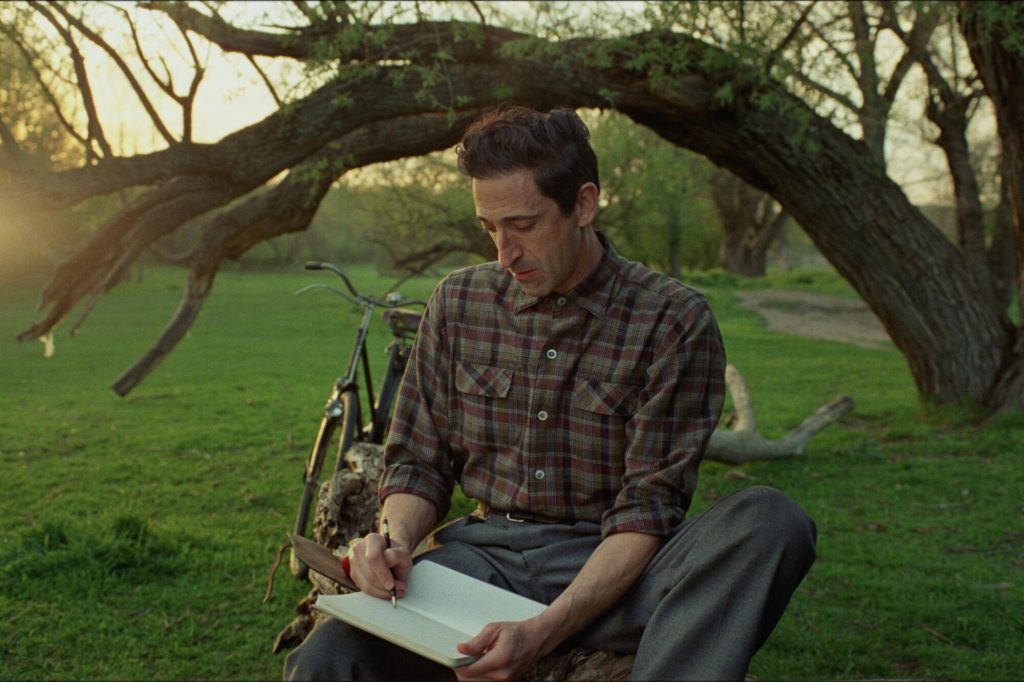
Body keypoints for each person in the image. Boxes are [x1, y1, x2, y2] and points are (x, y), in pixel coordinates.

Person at [284, 106, 816, 681]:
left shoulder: (672, 320)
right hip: (480, 565)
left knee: (772, 519)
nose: (504, 254)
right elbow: (417, 463)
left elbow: (648, 510)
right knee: (327, 658)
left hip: (617, 569)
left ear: (583, 204)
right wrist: (392, 543)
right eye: (490, 228)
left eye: (523, 225)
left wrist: (543, 632)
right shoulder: (458, 303)